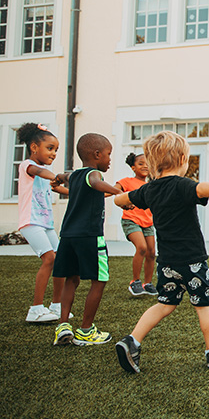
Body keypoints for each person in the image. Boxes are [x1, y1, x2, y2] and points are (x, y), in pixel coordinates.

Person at [114, 131, 209, 373]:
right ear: (183, 159)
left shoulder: (148, 190)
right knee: (204, 305)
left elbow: (120, 199)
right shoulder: (183, 185)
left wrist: (126, 201)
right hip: (192, 262)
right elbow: (202, 190)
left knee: (164, 304)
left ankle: (132, 341)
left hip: (167, 263)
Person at [50, 133, 124, 346]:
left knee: (71, 279)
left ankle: (63, 325)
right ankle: (85, 330)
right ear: (97, 154)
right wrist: (117, 191)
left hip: (68, 236)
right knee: (99, 280)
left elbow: (62, 176)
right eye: (108, 155)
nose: (110, 160)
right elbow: (94, 182)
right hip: (90, 236)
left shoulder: (73, 175)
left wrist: (57, 179)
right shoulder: (94, 174)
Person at [16, 123, 69, 323]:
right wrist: (59, 177)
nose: (54, 153)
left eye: (56, 149)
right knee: (49, 259)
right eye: (50, 148)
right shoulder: (27, 166)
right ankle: (36, 309)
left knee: (61, 261)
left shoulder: (47, 171)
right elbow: (40, 173)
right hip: (30, 222)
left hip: (45, 223)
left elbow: (60, 189)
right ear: (34, 147)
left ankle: (56, 306)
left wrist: (86, 193)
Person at [115, 153, 157, 296]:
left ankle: (148, 283)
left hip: (148, 223)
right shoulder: (126, 181)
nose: (145, 166)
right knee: (142, 247)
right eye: (140, 164)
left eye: (147, 163)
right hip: (131, 220)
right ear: (133, 167)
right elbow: (114, 190)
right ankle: (135, 281)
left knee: (151, 253)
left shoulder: (151, 185)